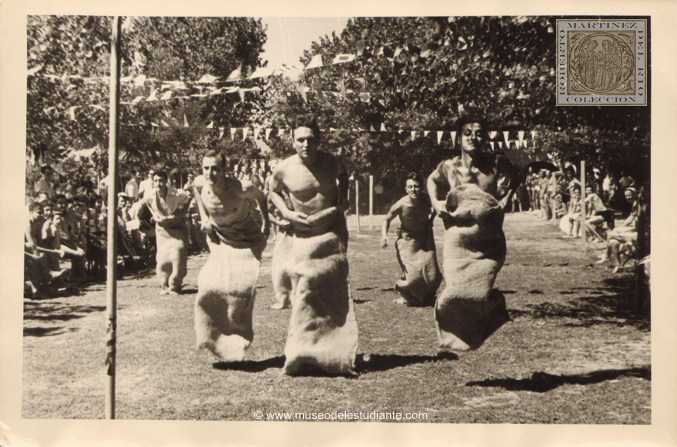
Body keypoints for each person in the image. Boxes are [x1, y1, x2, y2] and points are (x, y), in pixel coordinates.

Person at [268, 113, 357, 375]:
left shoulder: (332, 162)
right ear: (292, 141)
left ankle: (335, 353)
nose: (306, 145)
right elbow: (272, 191)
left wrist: (343, 199)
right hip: (303, 235)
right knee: (305, 292)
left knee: (333, 292)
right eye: (301, 140)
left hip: (331, 232)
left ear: (319, 140)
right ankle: (301, 353)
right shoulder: (283, 168)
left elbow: (344, 175)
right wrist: (286, 212)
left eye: (311, 139)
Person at [426, 114, 514, 352]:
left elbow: (516, 176)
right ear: (458, 138)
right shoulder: (448, 166)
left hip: (488, 238)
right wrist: (435, 203)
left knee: (479, 292)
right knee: (454, 290)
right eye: (467, 133)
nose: (473, 138)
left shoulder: (496, 163)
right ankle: (454, 335)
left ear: (484, 138)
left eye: (478, 133)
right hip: (457, 238)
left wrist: (506, 200)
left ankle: (492, 310)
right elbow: (431, 181)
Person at [192, 150, 270, 362]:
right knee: (208, 285)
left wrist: (266, 222)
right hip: (221, 239)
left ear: (225, 170)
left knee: (240, 292)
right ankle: (213, 339)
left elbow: (262, 198)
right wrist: (204, 218)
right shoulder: (200, 183)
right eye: (206, 168)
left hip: (246, 238)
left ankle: (237, 344)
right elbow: (197, 190)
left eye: (215, 168)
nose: (210, 173)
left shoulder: (242, 187)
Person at [381, 172, 442, 307]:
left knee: (434, 276)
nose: (413, 190)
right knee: (413, 278)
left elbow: (436, 208)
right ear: (406, 189)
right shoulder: (401, 204)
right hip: (407, 240)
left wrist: (431, 220)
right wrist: (384, 236)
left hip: (425, 237)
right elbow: (386, 219)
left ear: (421, 188)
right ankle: (402, 290)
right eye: (410, 187)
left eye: (416, 186)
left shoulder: (426, 199)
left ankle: (427, 297)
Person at [140, 170, 191, 295]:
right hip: (162, 230)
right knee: (162, 258)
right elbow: (146, 204)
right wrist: (155, 215)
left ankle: (175, 285)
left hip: (177, 228)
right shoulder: (150, 195)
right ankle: (164, 285)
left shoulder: (176, 193)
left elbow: (189, 197)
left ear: (166, 181)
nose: (158, 184)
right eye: (156, 181)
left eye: (161, 181)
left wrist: (182, 212)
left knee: (178, 252)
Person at [598, 188, 640, 273]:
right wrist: (622, 226)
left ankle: (607, 255)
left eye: (629, 195)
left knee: (610, 235)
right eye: (626, 196)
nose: (628, 197)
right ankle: (619, 265)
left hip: (639, 231)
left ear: (634, 195)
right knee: (613, 241)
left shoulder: (638, 204)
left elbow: (635, 220)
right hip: (635, 229)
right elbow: (631, 217)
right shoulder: (635, 203)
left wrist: (622, 228)